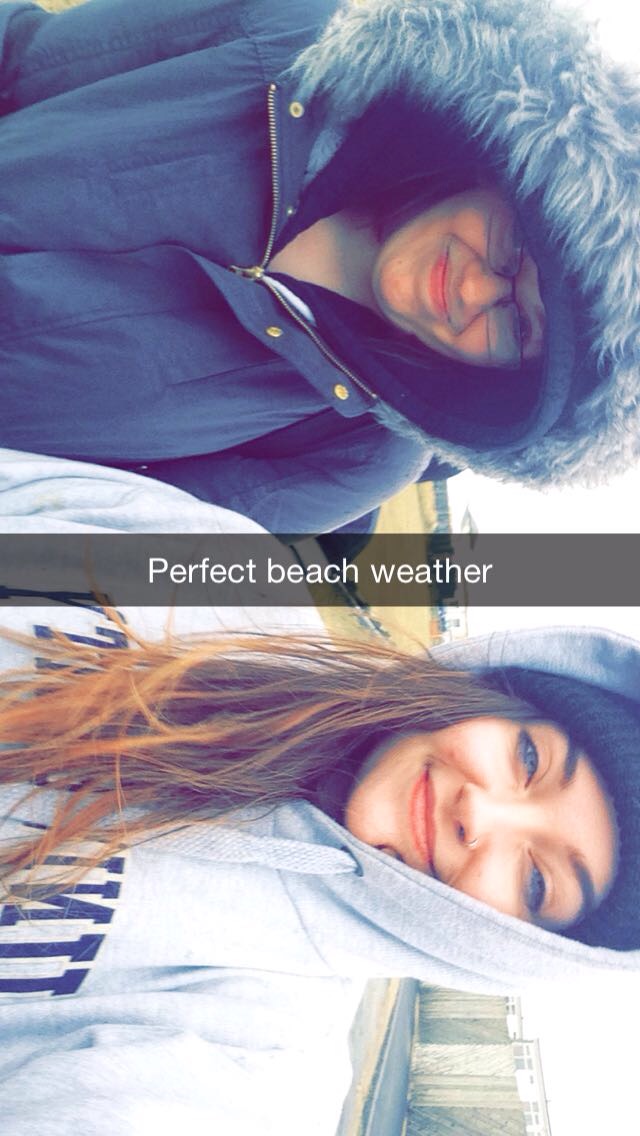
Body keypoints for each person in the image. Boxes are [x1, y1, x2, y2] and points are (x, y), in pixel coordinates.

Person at [0, 450, 638, 1134]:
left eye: (536, 880)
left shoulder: (261, 1055)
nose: (480, 811)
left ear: (515, 945)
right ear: (500, 702)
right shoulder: (230, 564)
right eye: (529, 758)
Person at [0, 0, 638, 532]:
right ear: (503, 174)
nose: (475, 289)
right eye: (514, 251)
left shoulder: (355, 458)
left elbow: (102, 544)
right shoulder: (286, 39)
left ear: (510, 379)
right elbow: (23, 54)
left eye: (517, 325)